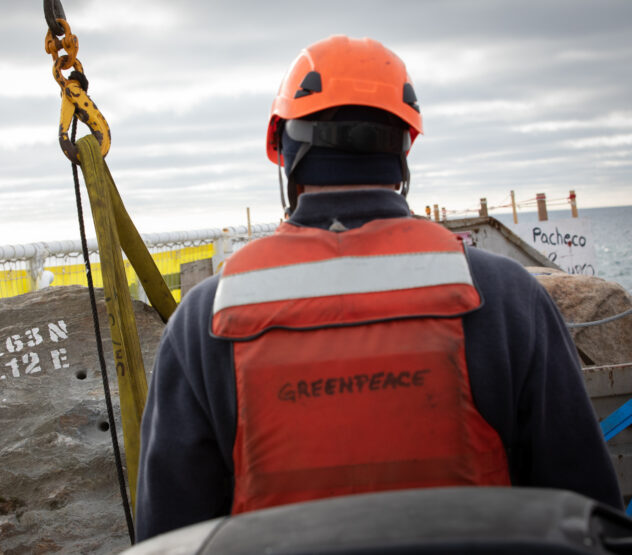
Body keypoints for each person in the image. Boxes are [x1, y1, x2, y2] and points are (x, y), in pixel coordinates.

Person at [135, 35, 622, 541]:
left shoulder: (205, 318)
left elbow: (169, 537)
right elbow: (587, 512)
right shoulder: (505, 296)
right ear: (405, 145)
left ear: (282, 148)